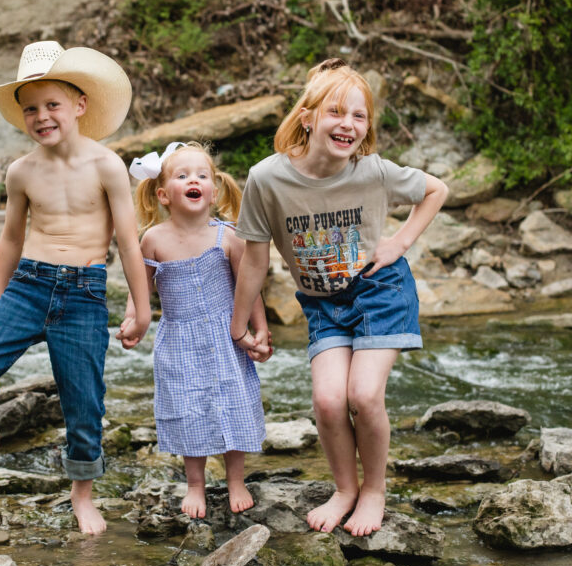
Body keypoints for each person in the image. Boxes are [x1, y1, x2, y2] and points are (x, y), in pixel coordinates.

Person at [230, 58, 448, 537]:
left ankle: (374, 490)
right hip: (321, 303)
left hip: (379, 292)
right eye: (336, 112)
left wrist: (399, 243)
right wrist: (240, 320)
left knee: (363, 394)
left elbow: (436, 190)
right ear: (307, 118)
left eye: (359, 116)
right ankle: (345, 488)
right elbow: (254, 259)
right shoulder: (267, 179)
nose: (348, 124)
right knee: (328, 401)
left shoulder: (373, 171)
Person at [0, 40, 152, 537]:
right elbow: (11, 236)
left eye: (52, 104)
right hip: (28, 286)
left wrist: (140, 309)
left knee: (84, 401)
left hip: (83, 292)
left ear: (79, 106)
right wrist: (1, 296)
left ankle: (83, 496)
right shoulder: (21, 171)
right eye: (30, 107)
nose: (42, 116)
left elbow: (127, 240)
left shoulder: (106, 166)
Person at [126, 141, 271, 519]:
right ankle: (196, 484)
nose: (195, 180)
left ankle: (236, 479)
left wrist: (260, 329)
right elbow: (139, 288)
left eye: (202, 175)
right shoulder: (153, 239)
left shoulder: (228, 236)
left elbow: (248, 289)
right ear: (163, 194)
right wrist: (134, 321)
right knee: (189, 410)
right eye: (183, 175)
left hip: (227, 337)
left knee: (232, 404)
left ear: (214, 190)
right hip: (179, 341)